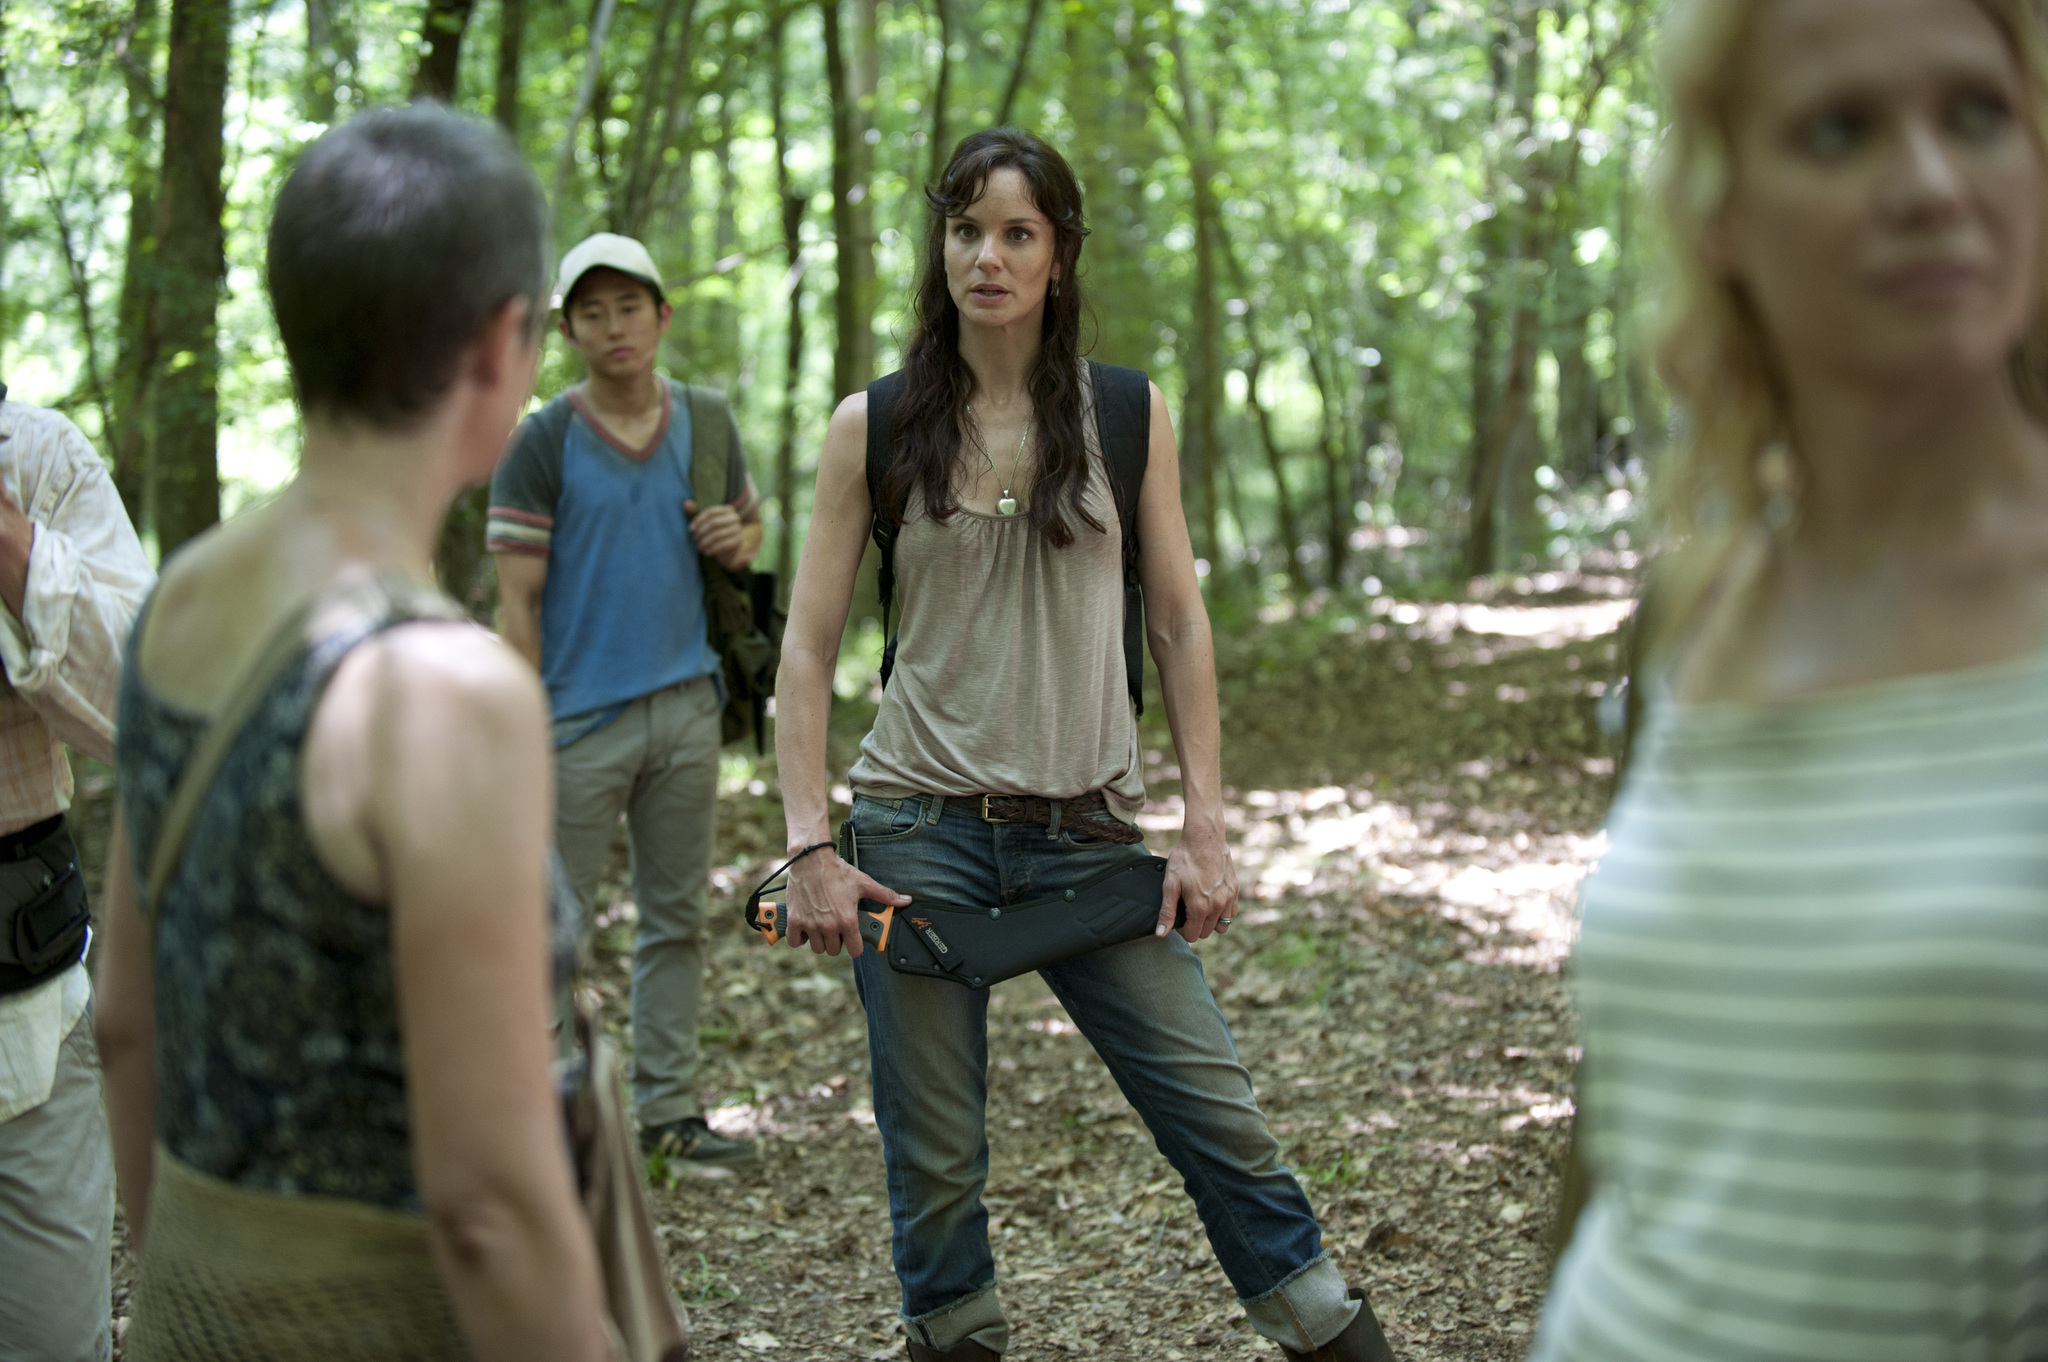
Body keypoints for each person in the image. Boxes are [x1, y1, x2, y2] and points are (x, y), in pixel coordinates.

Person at [773, 128, 1395, 1362]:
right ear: (939, 245)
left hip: (1087, 838)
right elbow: (804, 649)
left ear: (1058, 255)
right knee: (937, 1164)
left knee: (1219, 1117)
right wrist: (805, 848)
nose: (986, 257)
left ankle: (1328, 1334)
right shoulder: (875, 424)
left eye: (1016, 233)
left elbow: (1175, 620)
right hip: (914, 836)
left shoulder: (1125, 412)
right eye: (964, 230)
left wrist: (1205, 829)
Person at [1537, 0, 2048, 1357]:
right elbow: (1651, 1127)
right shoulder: (1708, 601)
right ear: (1723, 216)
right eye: (1841, 130)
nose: (1932, 184)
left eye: (1979, 114)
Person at [92, 105, 612, 1360]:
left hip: (189, 1309)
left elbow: (122, 1016)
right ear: (502, 347)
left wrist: (205, 1295)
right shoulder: (445, 688)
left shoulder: (182, 599)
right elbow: (487, 1207)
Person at [489, 232, 764, 1165]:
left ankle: (668, 1111)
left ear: (661, 315)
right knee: (547, 934)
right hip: (572, 725)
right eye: (593, 312)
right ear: (568, 329)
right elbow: (515, 603)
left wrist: (740, 535)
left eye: (630, 307)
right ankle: (549, 1120)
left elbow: (749, 531)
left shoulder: (708, 421)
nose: (615, 327)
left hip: (688, 706)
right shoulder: (543, 441)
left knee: (675, 919)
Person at [0, 386, 153, 1361]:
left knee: (55, 1340)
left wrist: (10, 546)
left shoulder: (38, 455)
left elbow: (144, 702)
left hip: (26, 1008)